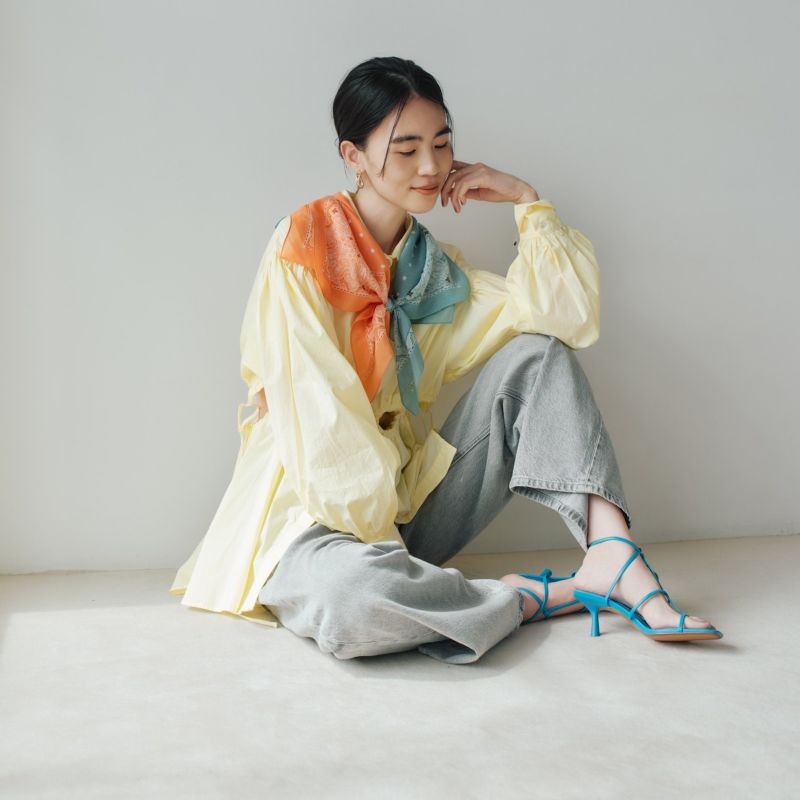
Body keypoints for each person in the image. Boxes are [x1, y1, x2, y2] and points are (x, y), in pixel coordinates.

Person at [169, 57, 722, 663]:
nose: (431, 166)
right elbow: (316, 407)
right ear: (354, 156)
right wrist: (379, 547)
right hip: (309, 521)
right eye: (406, 149)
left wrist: (526, 200)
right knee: (353, 598)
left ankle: (613, 555)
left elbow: (560, 318)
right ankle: (530, 598)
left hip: (406, 510)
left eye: (441, 142)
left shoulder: (433, 270)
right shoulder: (302, 246)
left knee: (536, 355)